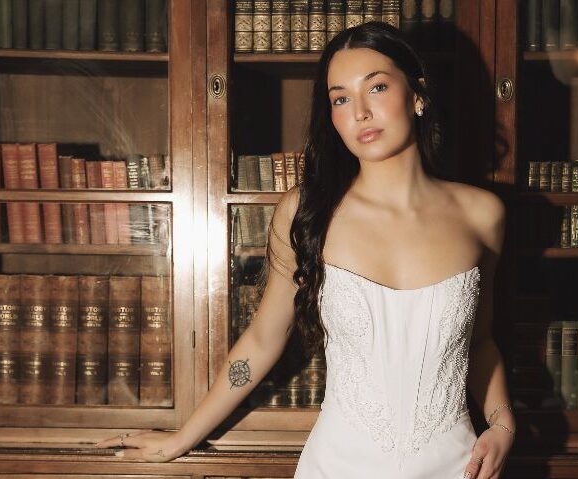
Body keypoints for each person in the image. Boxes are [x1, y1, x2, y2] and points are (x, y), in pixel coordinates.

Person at [97, 21, 514, 479]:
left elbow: (480, 341)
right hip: (339, 466)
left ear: (417, 95)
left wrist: (502, 425)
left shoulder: (482, 214)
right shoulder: (305, 210)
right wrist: (182, 437)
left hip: (457, 466)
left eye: (376, 87)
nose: (359, 112)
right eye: (340, 98)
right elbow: (261, 341)